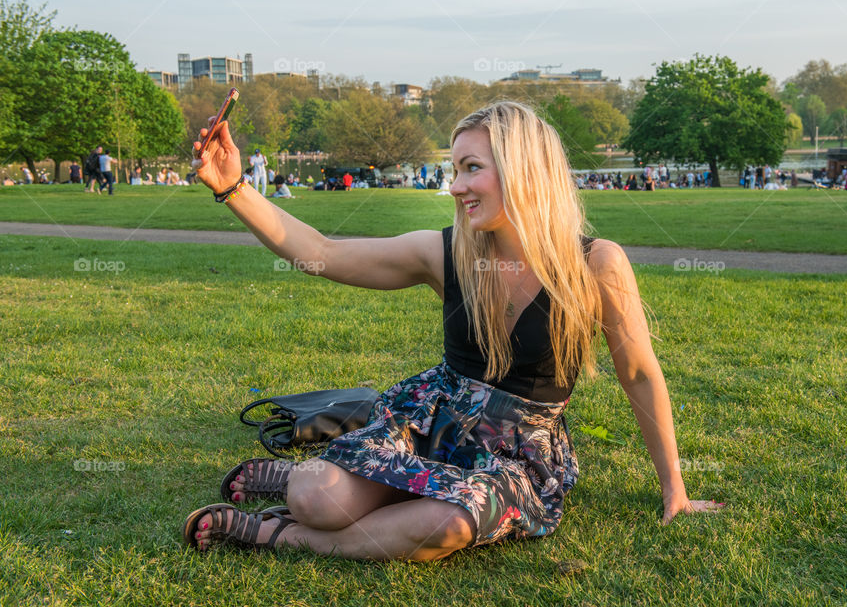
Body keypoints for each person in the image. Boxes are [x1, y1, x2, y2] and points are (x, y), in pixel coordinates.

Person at [183, 101, 723, 561]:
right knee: (316, 497)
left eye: (470, 168)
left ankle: (286, 535)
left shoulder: (595, 265)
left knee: (451, 523)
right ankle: (296, 491)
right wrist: (232, 187)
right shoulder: (446, 253)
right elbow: (322, 254)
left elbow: (639, 374)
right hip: (433, 418)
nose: (455, 187)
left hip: (516, 451)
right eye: (454, 170)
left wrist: (674, 490)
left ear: (522, 171)